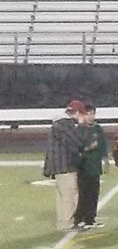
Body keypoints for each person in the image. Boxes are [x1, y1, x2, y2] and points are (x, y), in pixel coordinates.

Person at [44, 99, 87, 231]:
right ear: (77, 112)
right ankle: (67, 223)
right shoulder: (65, 124)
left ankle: (63, 222)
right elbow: (78, 141)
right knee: (69, 195)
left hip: (60, 166)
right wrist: (81, 126)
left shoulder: (60, 123)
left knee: (63, 195)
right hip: (65, 165)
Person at [74, 104, 109, 228]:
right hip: (83, 167)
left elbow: (103, 146)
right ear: (83, 115)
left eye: (92, 114)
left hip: (95, 166)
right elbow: (76, 149)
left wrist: (106, 161)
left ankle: (90, 219)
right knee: (84, 194)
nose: (90, 116)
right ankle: (79, 218)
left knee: (94, 194)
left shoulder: (98, 128)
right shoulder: (79, 129)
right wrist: (89, 148)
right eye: (88, 114)